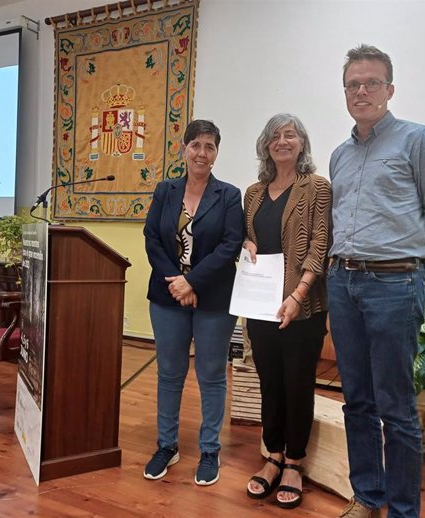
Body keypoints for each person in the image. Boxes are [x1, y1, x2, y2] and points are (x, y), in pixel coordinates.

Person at [327, 45, 425, 518]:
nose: (361, 91)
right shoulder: (339, 156)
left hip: (394, 287)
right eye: (353, 84)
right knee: (356, 400)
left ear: (390, 89)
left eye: (371, 82)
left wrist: (416, 275)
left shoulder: (419, 140)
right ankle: (367, 497)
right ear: (345, 92)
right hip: (342, 284)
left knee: (397, 408)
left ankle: (404, 510)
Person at [143, 119, 244, 486]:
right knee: (169, 374)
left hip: (213, 298)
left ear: (216, 153)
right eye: (196, 144)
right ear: (183, 148)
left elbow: (230, 245)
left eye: (210, 146)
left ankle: (210, 450)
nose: (202, 152)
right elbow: (152, 237)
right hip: (168, 296)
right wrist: (177, 283)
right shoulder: (165, 190)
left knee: (211, 375)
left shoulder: (229, 195)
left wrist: (192, 281)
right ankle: (167, 446)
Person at [243, 113, 331, 509]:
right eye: (275, 136)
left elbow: (319, 244)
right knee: (269, 383)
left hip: (303, 306)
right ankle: (272, 455)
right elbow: (249, 238)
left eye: (290, 135)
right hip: (260, 305)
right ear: (266, 145)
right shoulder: (254, 193)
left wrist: (297, 295)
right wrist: (245, 246)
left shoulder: (317, 187)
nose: (282, 141)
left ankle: (294, 462)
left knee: (297, 384)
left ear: (301, 144)